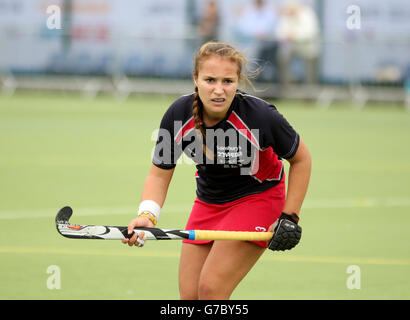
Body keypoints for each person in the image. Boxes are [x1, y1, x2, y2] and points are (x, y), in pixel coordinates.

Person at [122, 42, 312, 300]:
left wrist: (290, 216)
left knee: (211, 291)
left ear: (239, 81)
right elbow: (159, 173)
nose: (218, 90)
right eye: (210, 80)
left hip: (257, 199)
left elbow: (301, 159)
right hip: (208, 203)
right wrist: (147, 216)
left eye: (228, 81)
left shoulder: (261, 116)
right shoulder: (178, 115)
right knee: (189, 298)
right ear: (195, 79)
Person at [276, 0, 320, 86]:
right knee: (282, 57)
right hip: (291, 47)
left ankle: (309, 89)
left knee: (311, 59)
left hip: (307, 47)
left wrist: (294, 36)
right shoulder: (286, 16)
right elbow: (278, 32)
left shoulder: (308, 14)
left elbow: (311, 33)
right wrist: (284, 36)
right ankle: (287, 86)